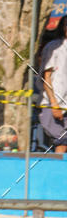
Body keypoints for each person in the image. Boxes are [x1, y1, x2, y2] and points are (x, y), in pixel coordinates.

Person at [40, 16, 67, 153]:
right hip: (55, 104)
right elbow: (46, 78)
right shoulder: (54, 47)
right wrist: (54, 103)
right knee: (62, 142)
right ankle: (59, 167)